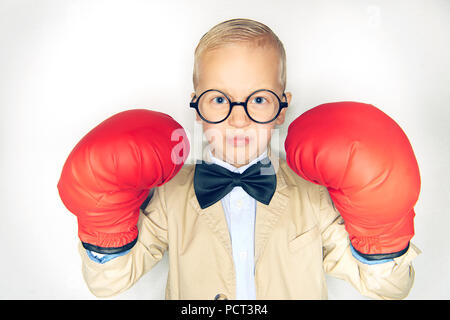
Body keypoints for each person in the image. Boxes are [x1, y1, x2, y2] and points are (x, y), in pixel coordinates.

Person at [57, 18, 421, 299]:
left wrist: (383, 233)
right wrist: (104, 224)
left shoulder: (313, 196)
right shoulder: (170, 195)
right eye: (218, 99)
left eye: (258, 99)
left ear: (282, 108)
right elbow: (108, 283)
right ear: (197, 107)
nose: (238, 117)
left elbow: (387, 289)